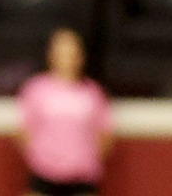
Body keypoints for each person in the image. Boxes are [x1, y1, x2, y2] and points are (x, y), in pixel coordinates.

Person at [16, 28, 113, 196]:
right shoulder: (36, 89)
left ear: (81, 56)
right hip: (44, 174)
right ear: (51, 55)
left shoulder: (93, 93)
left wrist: (83, 159)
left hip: (82, 177)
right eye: (61, 52)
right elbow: (24, 131)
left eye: (71, 53)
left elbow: (105, 134)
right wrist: (43, 158)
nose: (67, 58)